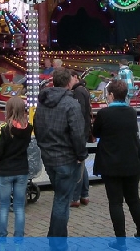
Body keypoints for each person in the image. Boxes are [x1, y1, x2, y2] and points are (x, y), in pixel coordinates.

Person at [34, 68, 87, 238]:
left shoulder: (42, 103)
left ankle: (56, 235)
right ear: (69, 82)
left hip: (49, 157)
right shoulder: (71, 104)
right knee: (62, 200)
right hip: (66, 158)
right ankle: (57, 240)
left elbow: (37, 127)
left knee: (61, 197)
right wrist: (81, 155)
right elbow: (78, 133)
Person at [92, 79, 140, 241]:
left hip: (111, 163)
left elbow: (96, 132)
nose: (107, 97)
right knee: (134, 199)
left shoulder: (104, 114)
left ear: (112, 95)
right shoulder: (132, 113)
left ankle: (120, 240)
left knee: (115, 203)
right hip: (131, 162)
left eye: (108, 94)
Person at [0, 96, 33, 240]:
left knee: (3, 206)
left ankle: (2, 238)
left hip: (5, 171)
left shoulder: (4, 128)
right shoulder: (28, 128)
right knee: (19, 207)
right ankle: (19, 239)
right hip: (22, 170)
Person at [69, 71, 92, 208]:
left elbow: (79, 113)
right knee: (81, 163)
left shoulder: (77, 92)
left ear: (75, 77)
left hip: (80, 132)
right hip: (83, 131)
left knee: (77, 164)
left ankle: (75, 196)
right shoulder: (83, 90)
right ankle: (84, 194)